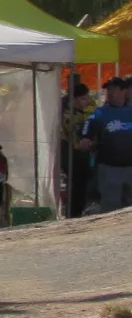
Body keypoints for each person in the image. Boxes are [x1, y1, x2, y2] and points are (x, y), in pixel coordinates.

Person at [79, 77, 132, 213]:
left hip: (130, 167)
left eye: (113, 89)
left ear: (123, 91)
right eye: (108, 89)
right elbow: (87, 130)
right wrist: (86, 139)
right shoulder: (101, 113)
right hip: (109, 168)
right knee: (111, 207)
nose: (109, 92)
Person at [62, 82, 95, 217]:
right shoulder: (68, 115)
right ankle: (73, 215)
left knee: (85, 186)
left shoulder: (88, 111)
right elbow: (72, 138)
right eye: (83, 98)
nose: (86, 101)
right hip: (73, 155)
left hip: (87, 155)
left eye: (87, 98)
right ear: (74, 99)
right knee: (76, 187)